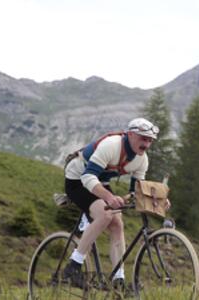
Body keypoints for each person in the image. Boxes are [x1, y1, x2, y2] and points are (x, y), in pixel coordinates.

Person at [62, 117, 169, 289]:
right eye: (143, 138)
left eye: (150, 141)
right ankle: (73, 266)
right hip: (77, 179)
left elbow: (137, 191)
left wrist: (159, 200)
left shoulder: (142, 160)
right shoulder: (112, 145)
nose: (147, 144)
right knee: (105, 214)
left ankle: (118, 280)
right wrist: (109, 197)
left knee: (117, 224)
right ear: (131, 134)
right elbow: (88, 176)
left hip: (99, 182)